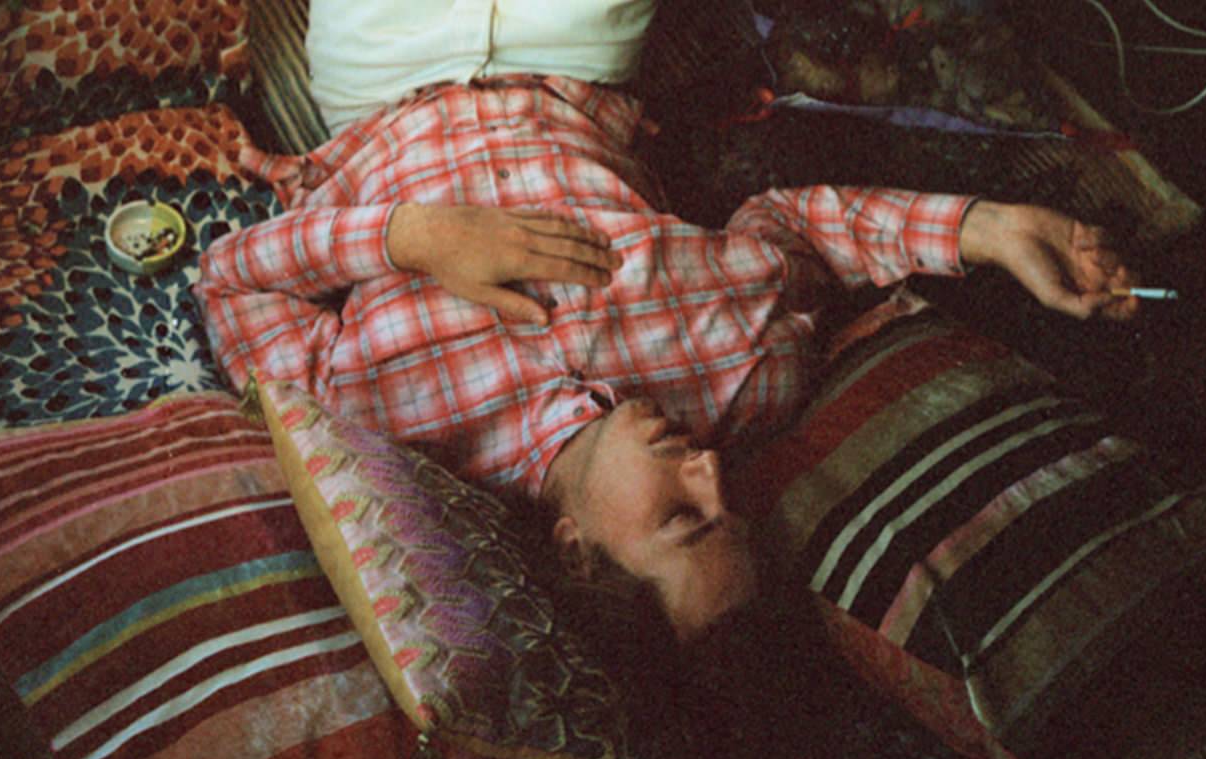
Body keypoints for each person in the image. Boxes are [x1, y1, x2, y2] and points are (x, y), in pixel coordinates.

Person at [192, 0, 1141, 641]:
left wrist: (413, 236)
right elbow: (801, 227)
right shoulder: (746, 374)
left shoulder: (384, 434)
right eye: (730, 509)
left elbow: (230, 284)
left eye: (683, 518)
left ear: (574, 548)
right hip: (569, 47)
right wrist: (991, 228)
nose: (710, 471)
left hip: (380, 82)